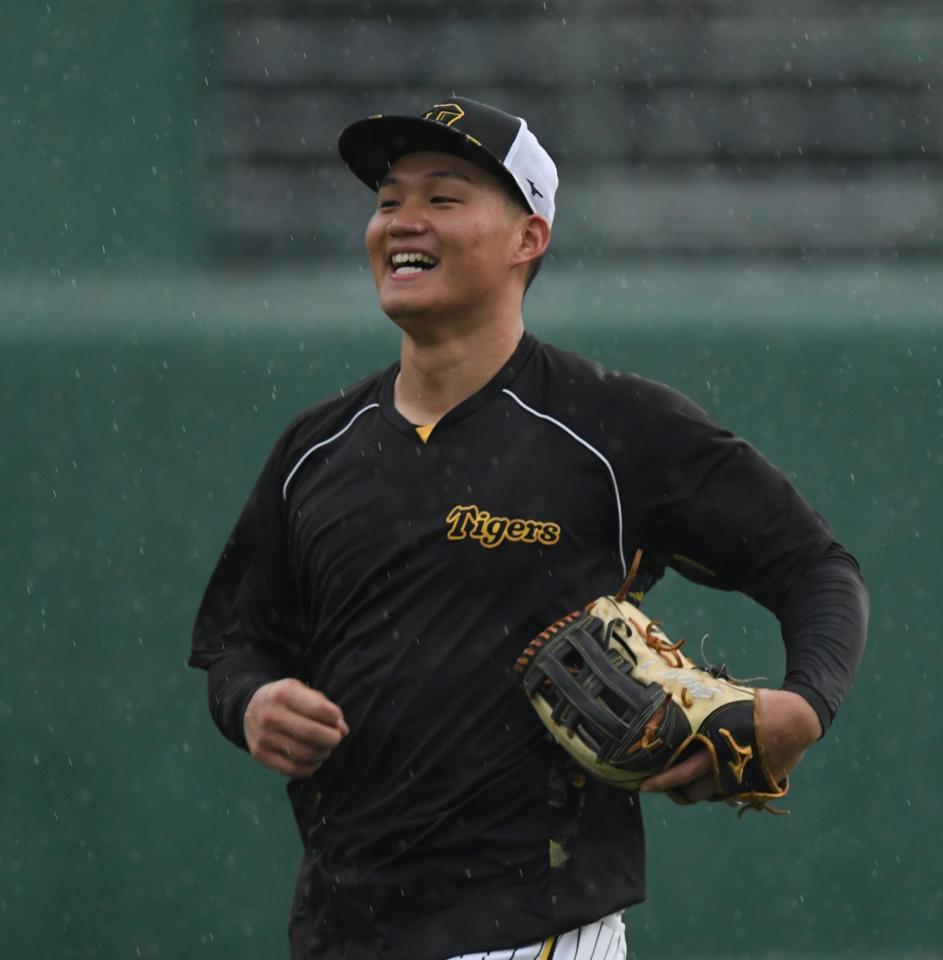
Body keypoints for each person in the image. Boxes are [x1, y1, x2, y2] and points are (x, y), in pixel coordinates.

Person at [189, 97, 868, 960]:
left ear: (527, 238)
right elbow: (239, 642)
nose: (403, 220)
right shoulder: (315, 447)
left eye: (443, 198)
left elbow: (815, 568)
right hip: (340, 928)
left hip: (532, 929)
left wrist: (803, 707)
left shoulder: (611, 429)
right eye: (388, 199)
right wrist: (249, 702)